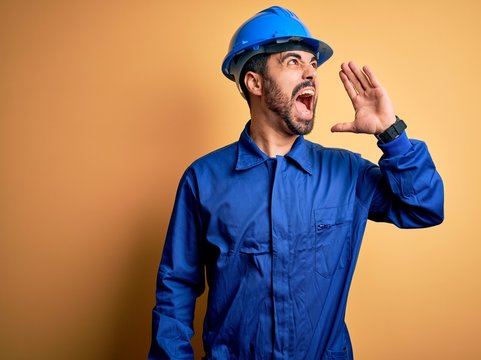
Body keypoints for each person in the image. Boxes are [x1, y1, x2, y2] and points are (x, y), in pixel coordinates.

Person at [149, 6, 444, 360]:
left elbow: (425, 208)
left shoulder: (346, 173)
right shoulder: (203, 180)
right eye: (292, 61)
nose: (310, 74)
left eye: (313, 64)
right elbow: (175, 289)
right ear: (254, 82)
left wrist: (390, 132)